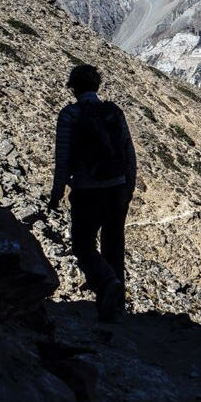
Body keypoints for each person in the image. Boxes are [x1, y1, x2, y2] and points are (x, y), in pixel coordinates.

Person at [48, 64, 137, 322]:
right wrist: (128, 187)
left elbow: (62, 159)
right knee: (114, 245)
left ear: (73, 87)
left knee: (83, 243)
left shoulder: (69, 115)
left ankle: (106, 282)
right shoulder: (113, 112)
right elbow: (128, 152)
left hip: (87, 191)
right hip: (117, 188)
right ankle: (115, 308)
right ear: (97, 86)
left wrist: (57, 193)